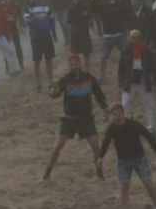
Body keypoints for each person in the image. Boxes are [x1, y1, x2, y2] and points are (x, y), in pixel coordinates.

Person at [99, 104, 156, 209]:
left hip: (139, 159)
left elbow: (147, 135)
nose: (117, 116)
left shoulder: (133, 124)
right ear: (111, 116)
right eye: (114, 114)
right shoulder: (111, 129)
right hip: (123, 161)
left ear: (123, 113)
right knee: (124, 188)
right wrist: (100, 157)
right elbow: (105, 142)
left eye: (119, 113)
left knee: (149, 185)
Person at [42, 53, 108, 181]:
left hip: (86, 119)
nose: (74, 66)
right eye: (71, 65)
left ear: (80, 64)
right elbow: (56, 91)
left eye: (75, 64)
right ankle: (47, 173)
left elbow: (99, 95)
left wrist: (105, 109)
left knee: (96, 147)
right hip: (69, 119)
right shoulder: (65, 79)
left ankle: (99, 172)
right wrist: (53, 92)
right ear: (69, 66)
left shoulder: (89, 78)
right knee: (57, 147)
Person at [115, 29, 156, 132]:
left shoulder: (148, 51)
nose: (135, 40)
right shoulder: (126, 51)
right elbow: (121, 69)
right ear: (129, 38)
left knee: (149, 104)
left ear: (141, 38)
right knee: (125, 104)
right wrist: (120, 83)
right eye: (133, 37)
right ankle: (125, 127)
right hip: (129, 81)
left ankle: (151, 127)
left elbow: (154, 68)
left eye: (137, 37)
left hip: (144, 80)